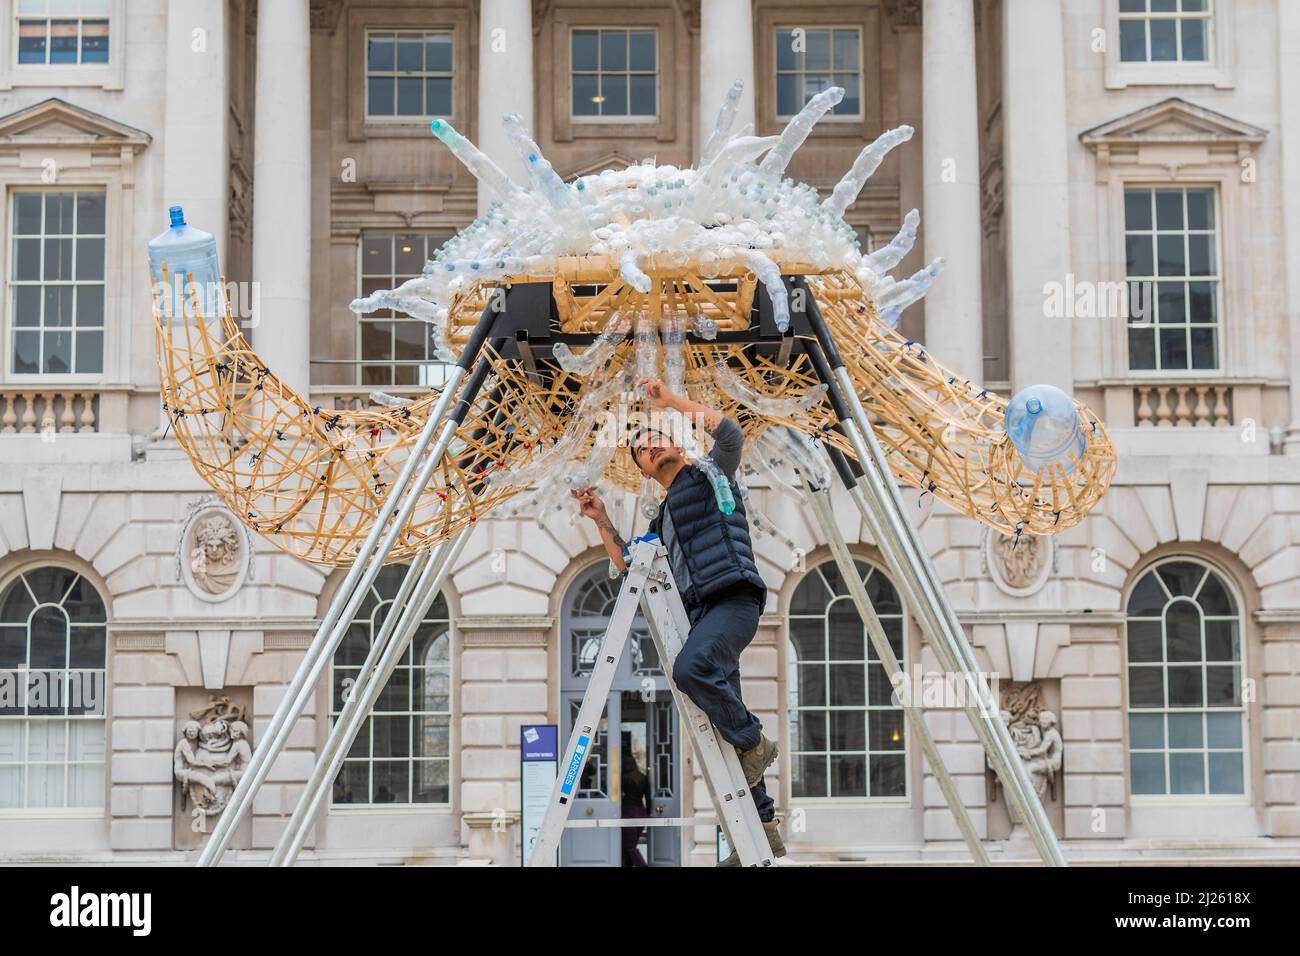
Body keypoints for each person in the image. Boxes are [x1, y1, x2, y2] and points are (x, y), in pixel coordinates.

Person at [572, 377, 784, 865]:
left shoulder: (711, 474)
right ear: (644, 471)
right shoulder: (661, 518)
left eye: (655, 437)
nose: (649, 445)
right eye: (641, 448)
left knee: (690, 671)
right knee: (718, 722)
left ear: (674, 441)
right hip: (703, 616)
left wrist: (670, 401)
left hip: (733, 600)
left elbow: (730, 433)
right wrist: (600, 518)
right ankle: (763, 830)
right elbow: (629, 565)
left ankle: (756, 740)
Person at [620, 746, 651, 867]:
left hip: (628, 813)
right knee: (629, 846)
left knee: (629, 847)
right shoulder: (643, 777)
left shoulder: (622, 778)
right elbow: (648, 798)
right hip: (640, 814)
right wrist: (648, 813)